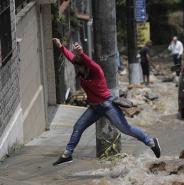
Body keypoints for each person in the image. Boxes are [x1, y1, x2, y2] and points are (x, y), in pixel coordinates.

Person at [52, 38, 161, 166]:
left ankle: (151, 141)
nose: (77, 70)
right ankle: (67, 154)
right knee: (78, 127)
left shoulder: (96, 70)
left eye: (79, 67)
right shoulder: (81, 68)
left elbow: (89, 62)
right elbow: (71, 57)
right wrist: (61, 47)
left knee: (126, 129)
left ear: (85, 66)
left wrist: (81, 53)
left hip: (108, 105)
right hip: (94, 108)